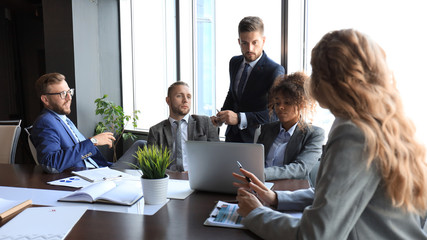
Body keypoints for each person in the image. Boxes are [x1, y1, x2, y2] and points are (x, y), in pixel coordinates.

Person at [232, 29, 427, 239]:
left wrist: (255, 213)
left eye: (315, 71)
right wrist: (275, 198)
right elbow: (333, 194)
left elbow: (315, 235)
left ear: (332, 79)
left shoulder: (353, 133)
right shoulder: (380, 122)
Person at [32, 72, 145, 173]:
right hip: (89, 177)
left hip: (103, 170)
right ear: (45, 99)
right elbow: (51, 164)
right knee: (142, 145)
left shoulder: (63, 119)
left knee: (141, 145)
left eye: (69, 92)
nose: (69, 97)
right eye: (62, 94)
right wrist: (93, 141)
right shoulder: (45, 122)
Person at [212, 16, 285, 143]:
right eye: (244, 43)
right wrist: (221, 116)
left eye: (254, 42)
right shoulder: (234, 62)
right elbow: (233, 94)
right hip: (231, 136)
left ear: (263, 40)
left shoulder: (274, 70)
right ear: (239, 42)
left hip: (256, 139)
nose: (249, 48)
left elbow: (275, 114)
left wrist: (240, 118)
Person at [257, 72, 324, 181]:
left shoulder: (314, 134)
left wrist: (262, 174)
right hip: (260, 184)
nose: (280, 107)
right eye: (277, 103)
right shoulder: (267, 129)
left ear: (301, 105)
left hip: (292, 190)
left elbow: (301, 168)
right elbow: (255, 161)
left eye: (287, 103)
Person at [147, 81, 219, 172]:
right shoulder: (156, 131)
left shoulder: (204, 122)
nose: (185, 100)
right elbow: (152, 166)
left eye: (188, 97)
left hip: (199, 177)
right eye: (179, 96)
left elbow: (217, 157)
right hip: (169, 179)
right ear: (168, 100)